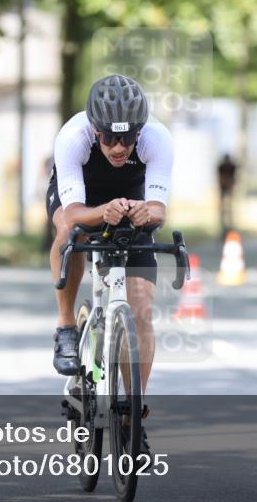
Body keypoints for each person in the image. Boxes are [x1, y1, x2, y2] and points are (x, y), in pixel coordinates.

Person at [47, 74, 173, 452]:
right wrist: (103, 211)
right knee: (70, 236)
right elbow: (71, 215)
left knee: (142, 311)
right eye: (109, 138)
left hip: (131, 196)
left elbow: (158, 209)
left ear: (140, 132)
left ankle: (132, 416)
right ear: (94, 129)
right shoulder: (73, 138)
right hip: (82, 196)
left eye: (127, 138)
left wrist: (143, 213)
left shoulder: (158, 139)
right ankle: (67, 326)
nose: (119, 147)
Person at [216, 154, 237, 236]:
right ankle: (223, 227)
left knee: (229, 208)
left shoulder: (232, 166)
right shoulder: (221, 166)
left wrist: (230, 186)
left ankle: (230, 226)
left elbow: (233, 178)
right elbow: (220, 178)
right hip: (223, 187)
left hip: (229, 187)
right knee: (223, 210)